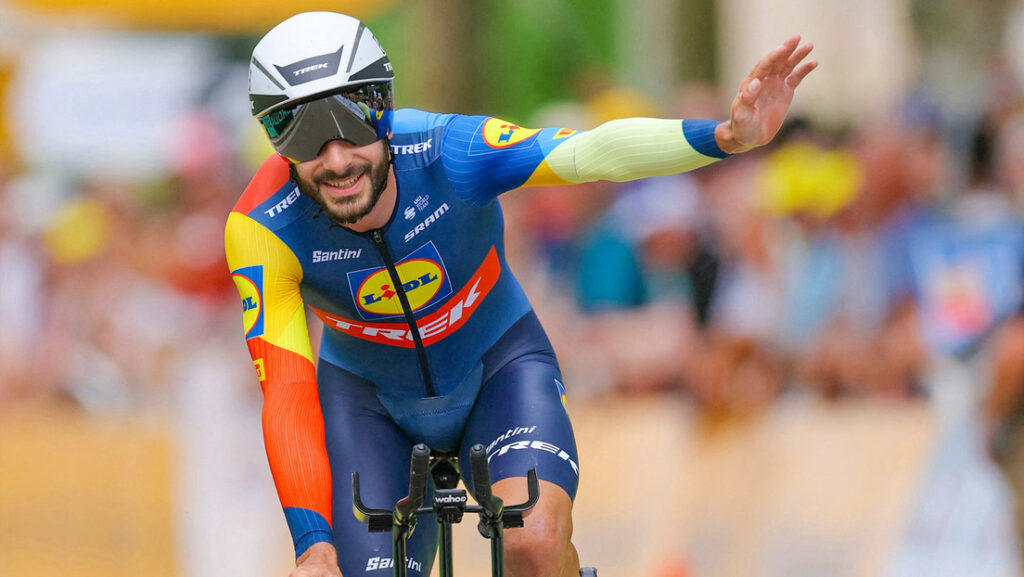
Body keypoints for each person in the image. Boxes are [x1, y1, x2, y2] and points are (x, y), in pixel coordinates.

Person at [225, 11, 816, 577]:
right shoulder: (260, 226)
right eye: (302, 134)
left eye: (351, 124)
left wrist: (724, 137)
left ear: (383, 107)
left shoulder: (449, 150)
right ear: (274, 139)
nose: (335, 160)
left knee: (534, 542)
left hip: (497, 371)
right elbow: (287, 392)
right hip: (369, 403)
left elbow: (588, 153)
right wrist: (313, 548)